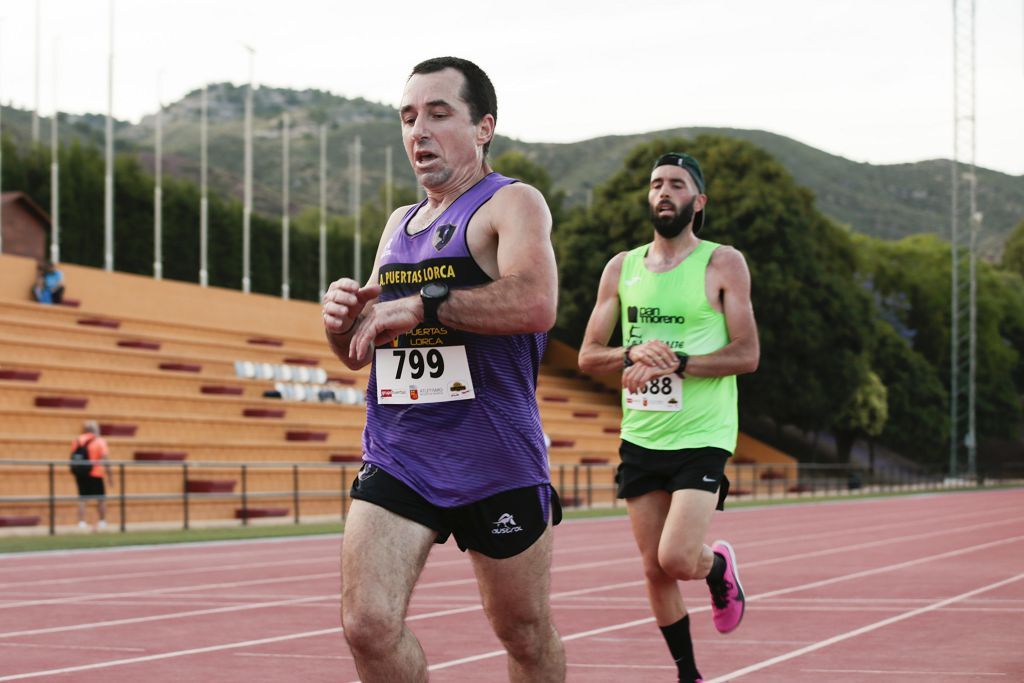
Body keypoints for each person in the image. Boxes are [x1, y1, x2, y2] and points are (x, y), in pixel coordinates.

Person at [322, 56, 565, 682]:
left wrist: (427, 301)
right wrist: (340, 320)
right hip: (401, 452)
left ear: (483, 126)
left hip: (494, 458)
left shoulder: (510, 204)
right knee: (367, 625)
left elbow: (536, 302)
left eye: (438, 114)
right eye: (408, 118)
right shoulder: (397, 226)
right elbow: (359, 349)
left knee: (525, 635)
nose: (418, 132)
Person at [577, 152, 760, 683]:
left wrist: (679, 362)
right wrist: (632, 355)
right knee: (654, 568)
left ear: (697, 202)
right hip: (642, 433)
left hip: (703, 433)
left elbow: (747, 354)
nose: (663, 191)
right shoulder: (622, 268)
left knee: (679, 558)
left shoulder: (723, 263)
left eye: (676, 184)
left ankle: (718, 567)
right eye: (656, 183)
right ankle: (688, 675)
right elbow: (589, 355)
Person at [71, 420, 113, 530]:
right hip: (96, 473)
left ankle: (81, 522)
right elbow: (105, 458)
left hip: (81, 473)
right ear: (95, 429)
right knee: (101, 499)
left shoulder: (77, 440)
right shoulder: (100, 441)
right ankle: (102, 521)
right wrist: (110, 475)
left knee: (82, 498)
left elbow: (74, 456)